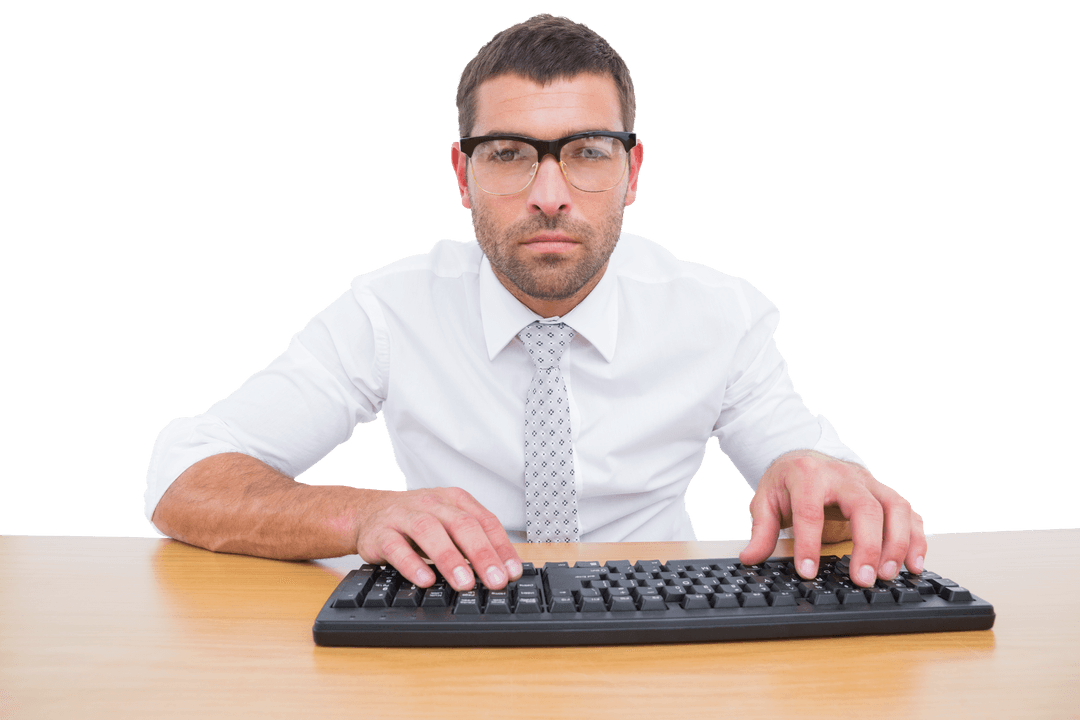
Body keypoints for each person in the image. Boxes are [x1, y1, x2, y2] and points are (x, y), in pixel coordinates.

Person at [145, 13, 925, 595]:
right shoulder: (389, 311)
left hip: (661, 640)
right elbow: (182, 480)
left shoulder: (721, 315)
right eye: (510, 156)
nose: (549, 197)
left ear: (632, 171)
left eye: (587, 152)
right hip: (450, 638)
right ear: (462, 174)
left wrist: (817, 478)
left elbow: (812, 477)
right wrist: (361, 516)